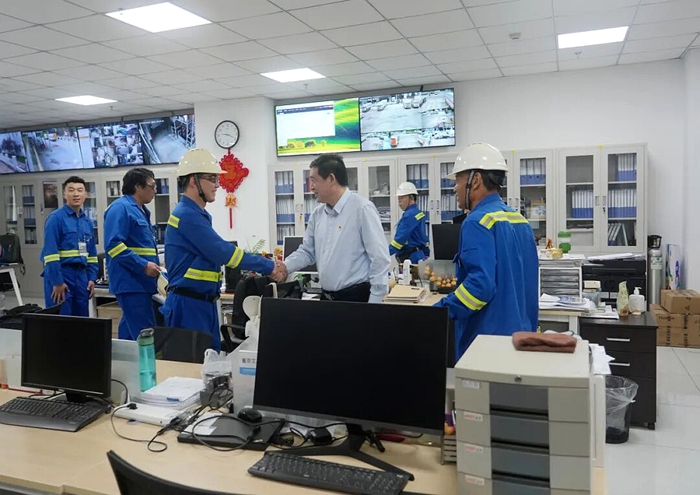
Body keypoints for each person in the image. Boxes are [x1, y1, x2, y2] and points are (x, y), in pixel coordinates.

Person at [161, 149, 284, 350]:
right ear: (193, 181)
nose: (217, 184)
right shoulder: (186, 215)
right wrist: (269, 266)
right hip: (189, 305)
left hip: (202, 303)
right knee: (195, 365)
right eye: (212, 178)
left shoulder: (197, 214)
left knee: (210, 360)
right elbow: (223, 252)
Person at [434, 143, 538, 360]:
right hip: (521, 340)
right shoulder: (520, 221)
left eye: (458, 180)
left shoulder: (476, 222)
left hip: (486, 344)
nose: (454, 188)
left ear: (476, 180)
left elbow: (480, 287)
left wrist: (440, 311)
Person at [278, 154, 391, 303]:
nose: (311, 187)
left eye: (314, 180)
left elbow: (380, 260)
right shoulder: (318, 214)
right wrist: (284, 266)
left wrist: (375, 302)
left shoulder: (362, 209)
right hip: (327, 298)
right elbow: (307, 252)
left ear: (331, 179)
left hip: (356, 299)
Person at [104, 168, 160, 340]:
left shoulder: (141, 210)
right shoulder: (121, 208)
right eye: (152, 186)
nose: (155, 190)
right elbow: (113, 245)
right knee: (145, 333)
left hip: (142, 282)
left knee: (130, 333)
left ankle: (123, 358)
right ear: (138, 187)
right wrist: (143, 265)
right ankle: (148, 359)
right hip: (131, 282)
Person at [40, 176, 98, 316]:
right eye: (71, 190)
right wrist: (57, 282)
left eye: (80, 190)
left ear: (85, 194)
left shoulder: (87, 222)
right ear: (64, 194)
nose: (76, 194)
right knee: (61, 320)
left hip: (82, 277)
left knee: (81, 320)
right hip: (62, 274)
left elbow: (91, 254)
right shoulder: (56, 219)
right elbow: (50, 254)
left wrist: (91, 278)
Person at [389, 182, 430, 264]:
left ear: (411, 197)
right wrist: (426, 252)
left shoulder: (409, 215)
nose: (399, 201)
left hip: (410, 257)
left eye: (402, 198)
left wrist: (384, 254)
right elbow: (423, 237)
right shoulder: (418, 213)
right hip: (419, 255)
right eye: (398, 198)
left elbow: (400, 239)